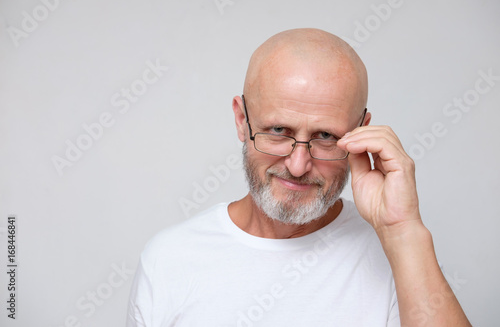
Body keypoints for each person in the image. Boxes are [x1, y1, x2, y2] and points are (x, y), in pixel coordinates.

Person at [126, 28, 471, 326]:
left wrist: (403, 232)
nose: (298, 165)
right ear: (242, 121)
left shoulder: (397, 259)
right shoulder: (169, 260)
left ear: (361, 134)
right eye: (278, 130)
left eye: (326, 136)